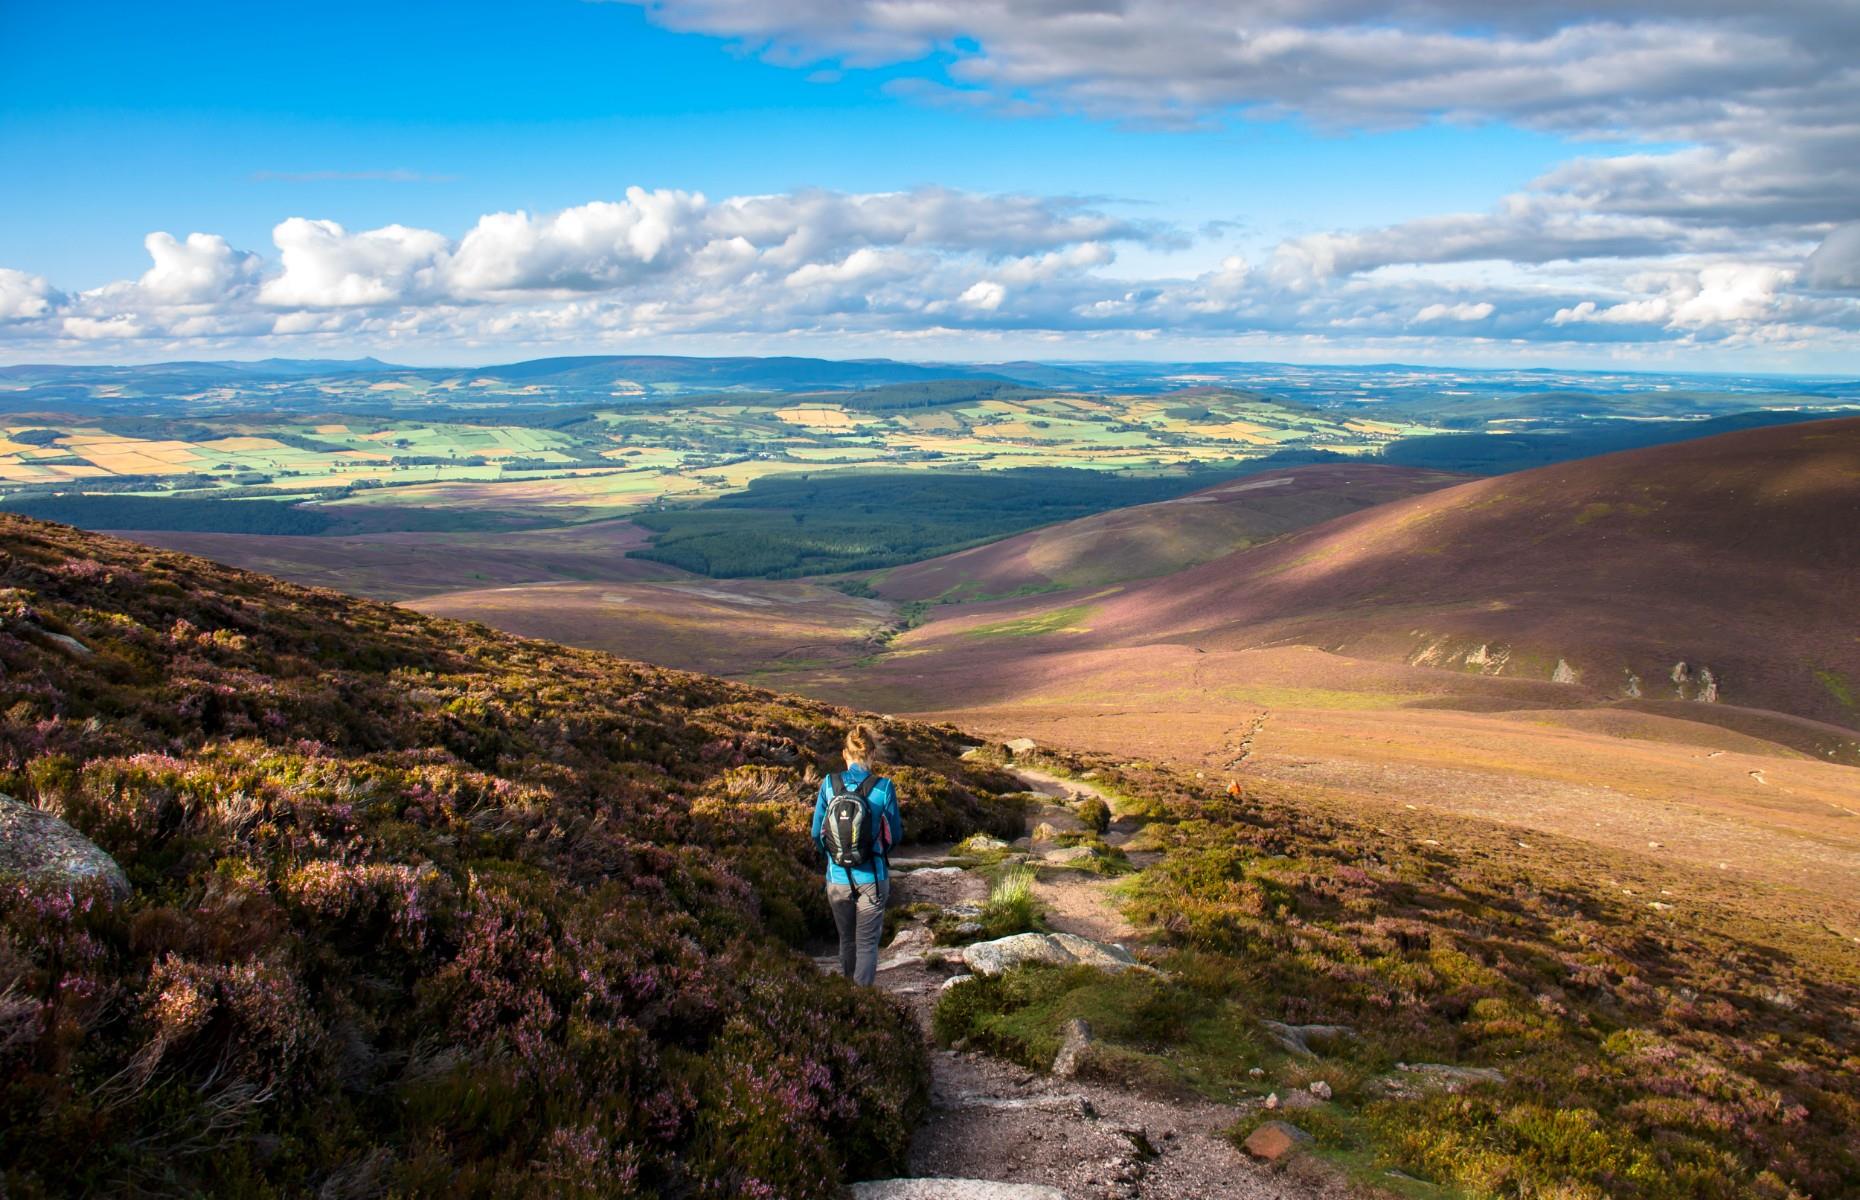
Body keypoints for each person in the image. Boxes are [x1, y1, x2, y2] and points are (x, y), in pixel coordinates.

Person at [811, 723, 902, 986]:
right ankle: (862, 1000)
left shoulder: (829, 784)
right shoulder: (884, 787)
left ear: (845, 753)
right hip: (873, 877)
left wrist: (833, 858)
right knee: (867, 943)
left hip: (837, 878)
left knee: (847, 940)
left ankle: (849, 994)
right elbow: (894, 835)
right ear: (872, 754)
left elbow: (817, 833)